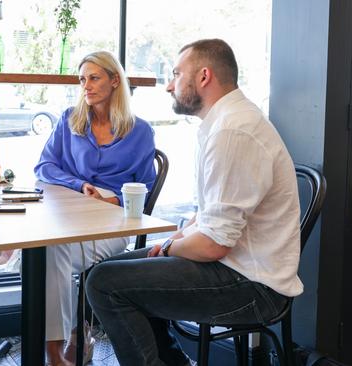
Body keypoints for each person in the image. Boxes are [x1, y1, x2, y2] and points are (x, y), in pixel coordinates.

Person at [86, 39, 302, 366]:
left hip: (254, 287)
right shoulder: (222, 123)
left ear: (204, 77)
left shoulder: (233, 131)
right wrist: (177, 239)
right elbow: (210, 218)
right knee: (105, 270)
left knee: (105, 284)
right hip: (233, 266)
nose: (169, 85)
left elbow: (214, 245)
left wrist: (171, 249)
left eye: (176, 74)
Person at [33, 50, 156, 366]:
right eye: (82, 79)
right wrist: (79, 185)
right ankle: (58, 352)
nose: (86, 86)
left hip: (113, 225)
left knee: (47, 252)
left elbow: (146, 185)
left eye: (94, 77)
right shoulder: (69, 120)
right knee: (49, 249)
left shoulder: (140, 131)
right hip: (70, 221)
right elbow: (45, 166)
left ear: (115, 80)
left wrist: (114, 198)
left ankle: (63, 346)